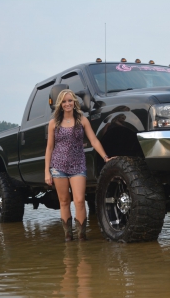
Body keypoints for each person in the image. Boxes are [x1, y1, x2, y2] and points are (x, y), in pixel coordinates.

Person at [45, 89, 114, 241]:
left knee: (79, 201)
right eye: (64, 101)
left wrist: (105, 157)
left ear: (75, 102)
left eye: (70, 101)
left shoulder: (82, 120)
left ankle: (82, 237)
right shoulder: (53, 123)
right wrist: (47, 172)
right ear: (60, 104)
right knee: (64, 201)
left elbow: (94, 140)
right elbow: (49, 148)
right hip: (58, 166)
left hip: (78, 165)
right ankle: (68, 237)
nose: (67, 104)